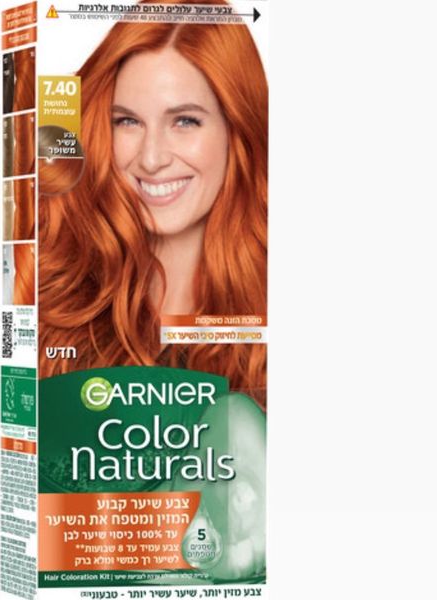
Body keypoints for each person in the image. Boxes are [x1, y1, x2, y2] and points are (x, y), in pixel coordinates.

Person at [38, 0, 267, 406]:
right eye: (127, 121)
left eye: (185, 121)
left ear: (238, 130)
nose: (151, 158)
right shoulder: (55, 294)